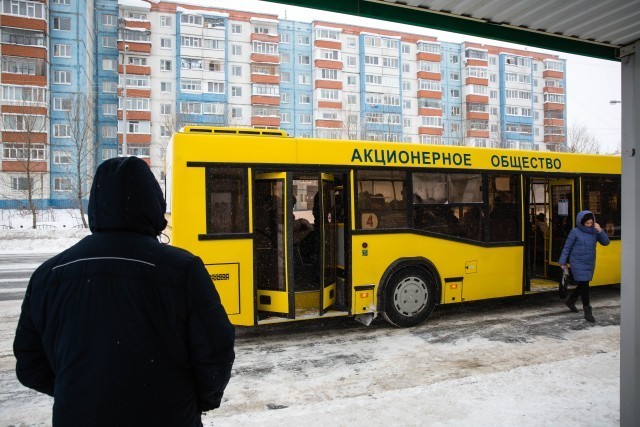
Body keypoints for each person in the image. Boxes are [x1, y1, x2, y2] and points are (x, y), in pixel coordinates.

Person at [13, 157, 235, 426]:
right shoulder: (182, 270)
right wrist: (195, 400)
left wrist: (80, 393)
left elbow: (29, 363)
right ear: (154, 204)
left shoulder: (48, 276)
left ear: (95, 206)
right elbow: (216, 349)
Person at [559, 210, 610, 323]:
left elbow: (606, 242)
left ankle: (571, 301)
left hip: (589, 262)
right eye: (586, 223)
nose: (589, 225)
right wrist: (562, 262)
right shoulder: (575, 232)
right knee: (584, 285)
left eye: (591, 223)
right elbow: (567, 247)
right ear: (581, 222)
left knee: (583, 284)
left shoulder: (595, 231)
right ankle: (588, 311)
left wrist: (600, 230)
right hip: (577, 262)